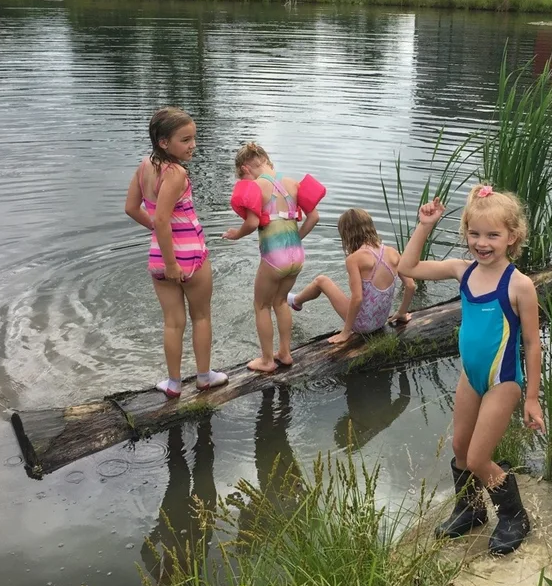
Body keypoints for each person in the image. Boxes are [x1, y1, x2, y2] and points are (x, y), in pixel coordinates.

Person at [398, 185, 545, 556]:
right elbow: (408, 267)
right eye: (474, 233)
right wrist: (425, 225)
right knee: (461, 448)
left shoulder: (520, 285)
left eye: (493, 235)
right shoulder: (462, 271)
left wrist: (532, 398)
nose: (482, 242)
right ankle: (471, 510)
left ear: (512, 237)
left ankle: (514, 517)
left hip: (503, 381)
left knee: (479, 458)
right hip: (471, 376)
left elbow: (531, 343)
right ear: (465, 233)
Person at [124, 107, 227, 398]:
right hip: (189, 257)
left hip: (159, 257)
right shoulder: (177, 173)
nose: (193, 144)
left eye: (193, 138)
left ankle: (173, 384)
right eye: (185, 139)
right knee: (202, 317)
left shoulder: (144, 167)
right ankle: (205, 378)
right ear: (164, 142)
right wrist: (173, 262)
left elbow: (132, 208)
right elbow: (161, 219)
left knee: (172, 322)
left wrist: (161, 245)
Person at [223, 143, 323, 373]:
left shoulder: (257, 187)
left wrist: (235, 235)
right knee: (280, 301)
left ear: (245, 169)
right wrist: (296, 238)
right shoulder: (292, 183)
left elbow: (252, 223)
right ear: (267, 161)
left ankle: (267, 360)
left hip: (274, 257)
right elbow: (314, 217)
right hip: (296, 255)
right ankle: (285, 353)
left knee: (261, 305)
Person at [289, 208, 415, 344]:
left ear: (347, 233)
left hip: (362, 326)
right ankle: (296, 301)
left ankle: (296, 302)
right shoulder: (393, 252)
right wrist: (401, 312)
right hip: (380, 321)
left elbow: (357, 298)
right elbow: (411, 285)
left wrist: (346, 332)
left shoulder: (354, 259)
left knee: (321, 280)